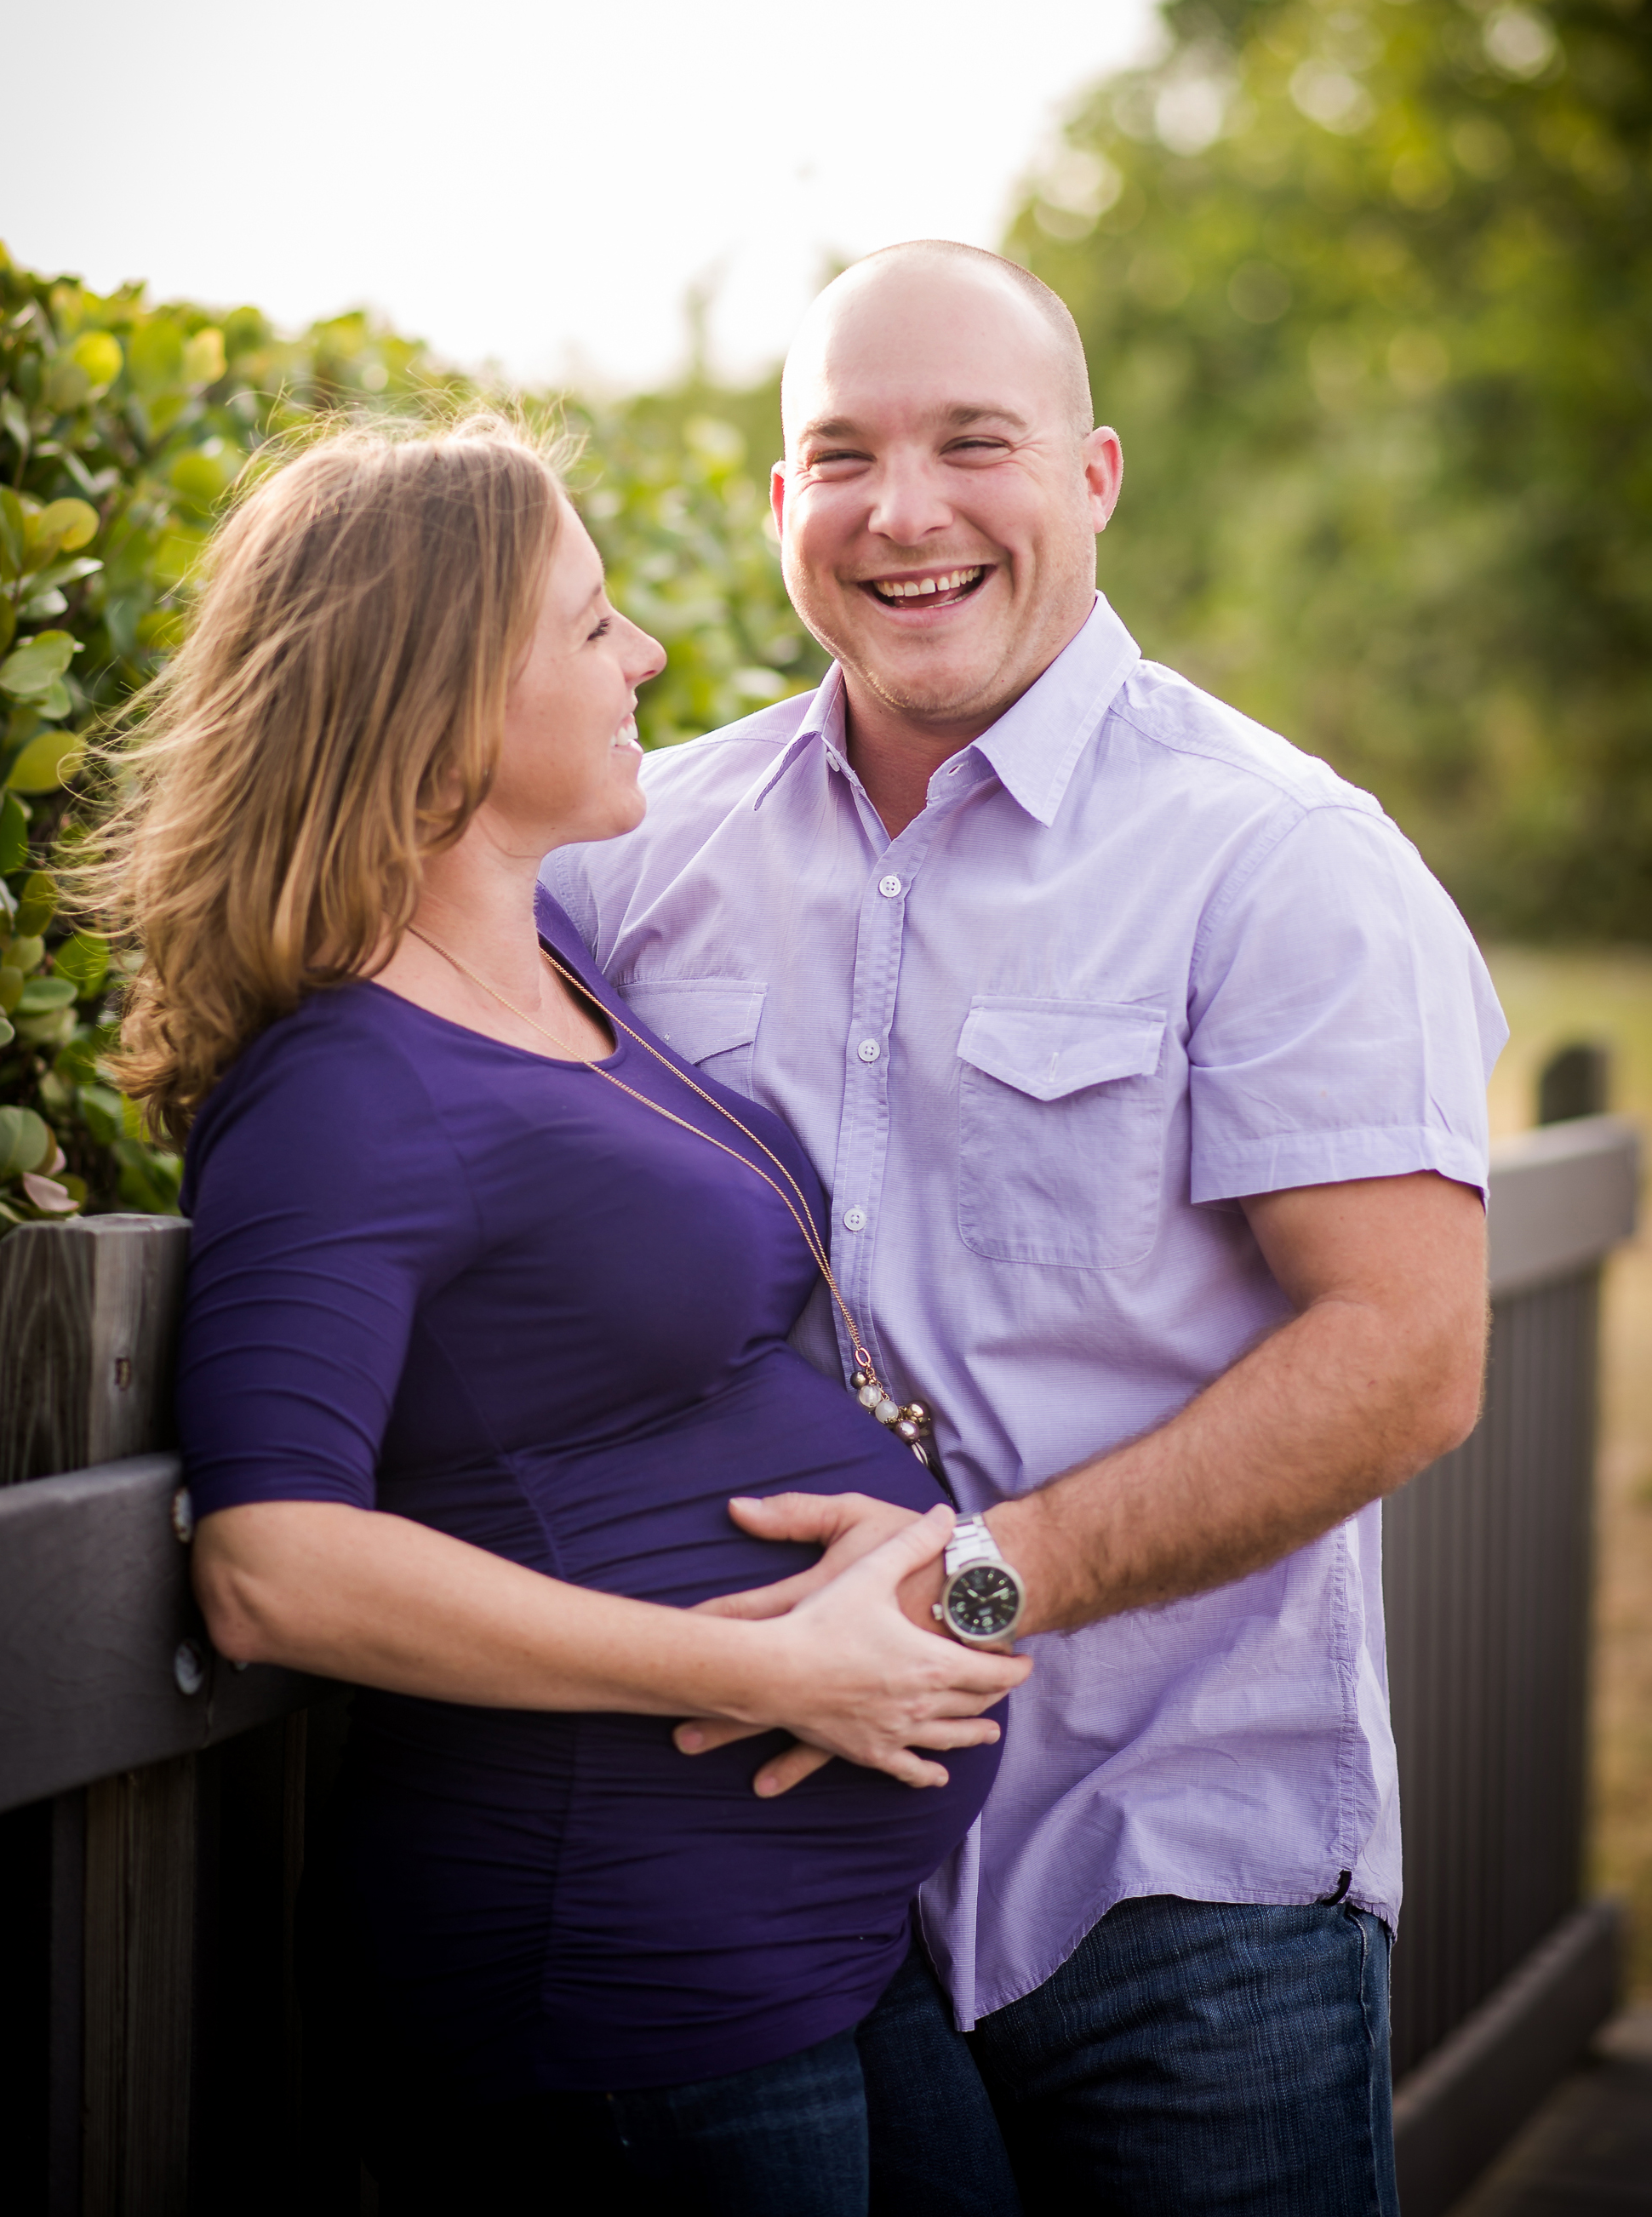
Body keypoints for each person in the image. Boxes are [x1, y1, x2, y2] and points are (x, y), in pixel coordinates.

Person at [542, 240, 1502, 2217]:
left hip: (1175, 1894)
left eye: (971, 442)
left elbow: (1402, 1355)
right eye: (841, 456)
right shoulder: (634, 862)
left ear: (1091, 475)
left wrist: (971, 1591)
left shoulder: (1277, 862)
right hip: (772, 1885)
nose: (903, 512)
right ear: (778, 503)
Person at [81, 414, 1037, 2213]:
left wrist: (934, 1581)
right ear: (445, 703)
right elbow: (274, 1565)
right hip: (612, 1977)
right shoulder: (346, 1089)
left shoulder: (559, 977)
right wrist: (768, 1667)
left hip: (811, 1941)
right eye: (593, 626)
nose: (647, 656)